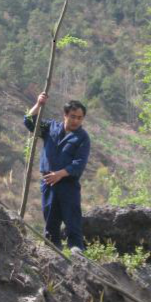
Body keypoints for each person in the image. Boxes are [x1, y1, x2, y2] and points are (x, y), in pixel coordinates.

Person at [24, 93, 91, 252]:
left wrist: (59, 174)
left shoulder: (83, 138)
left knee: (72, 221)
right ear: (65, 115)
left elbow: (79, 163)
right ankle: (52, 253)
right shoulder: (50, 128)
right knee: (50, 221)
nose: (76, 121)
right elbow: (29, 121)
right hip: (48, 182)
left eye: (80, 118)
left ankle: (77, 254)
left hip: (68, 185)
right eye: (73, 116)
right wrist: (38, 104)